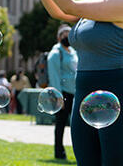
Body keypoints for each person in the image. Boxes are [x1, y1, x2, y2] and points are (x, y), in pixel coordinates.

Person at [7, 0, 123, 165]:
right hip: (84, 93)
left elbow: (69, 6)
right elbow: (58, 11)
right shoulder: (97, 4)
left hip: (117, 94)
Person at [47, 24, 77, 160]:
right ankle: (59, 153)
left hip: (75, 92)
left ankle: (80, 153)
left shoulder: (73, 51)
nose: (66, 36)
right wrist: (58, 97)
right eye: (63, 34)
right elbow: (54, 76)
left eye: (68, 33)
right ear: (58, 37)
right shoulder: (55, 53)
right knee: (60, 124)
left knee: (77, 125)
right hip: (62, 93)